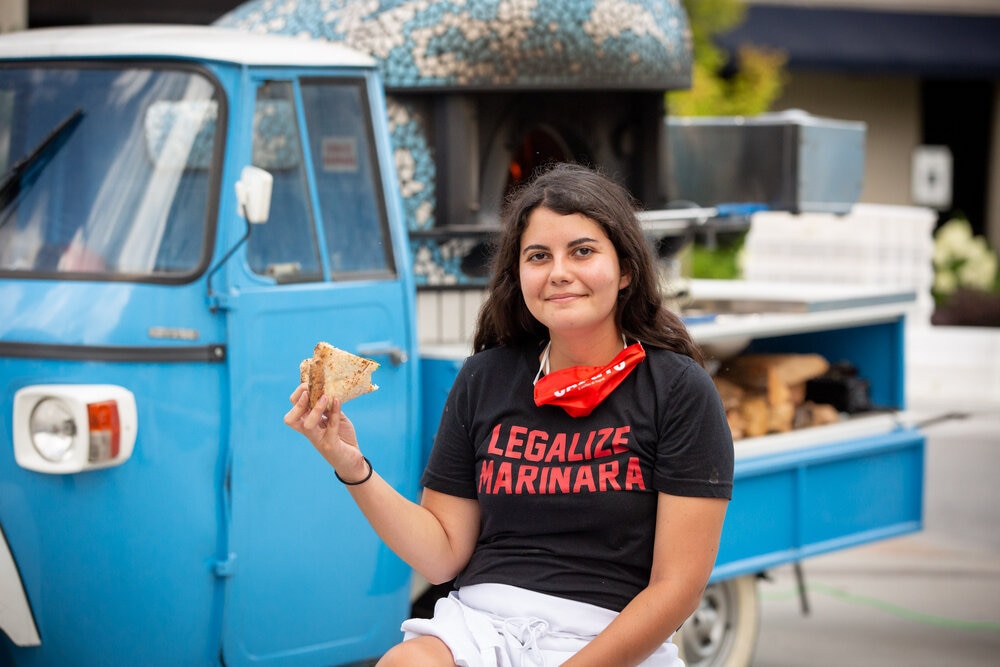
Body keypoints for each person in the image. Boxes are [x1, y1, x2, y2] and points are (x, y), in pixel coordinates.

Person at [285, 162, 734, 666]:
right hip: (479, 629)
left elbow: (677, 589)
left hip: (608, 641)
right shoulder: (484, 377)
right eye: (538, 256)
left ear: (626, 269)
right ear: (518, 275)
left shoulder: (677, 389)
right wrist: (351, 465)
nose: (559, 271)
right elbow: (442, 555)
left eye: (582, 251)